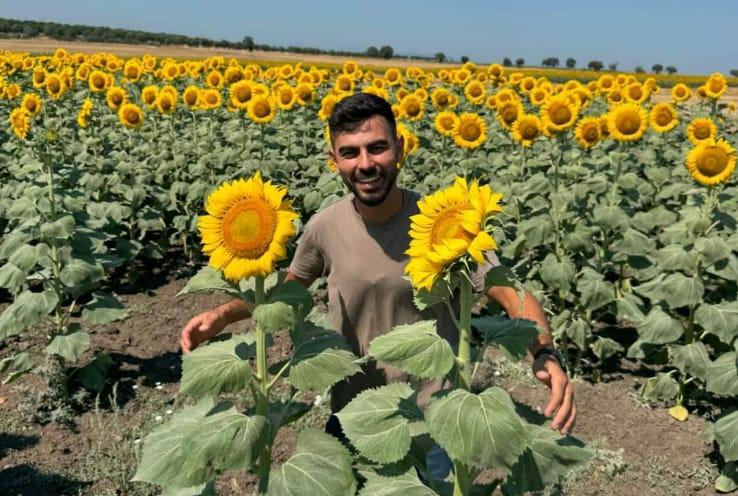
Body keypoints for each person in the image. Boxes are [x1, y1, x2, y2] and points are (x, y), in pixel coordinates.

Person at [180, 93, 576, 437]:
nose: (365, 164)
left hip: (429, 417)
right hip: (353, 409)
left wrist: (545, 354)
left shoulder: (442, 222)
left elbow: (512, 295)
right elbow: (287, 291)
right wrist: (223, 315)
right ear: (334, 161)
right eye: (350, 152)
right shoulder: (325, 227)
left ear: (400, 149)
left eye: (377, 148)